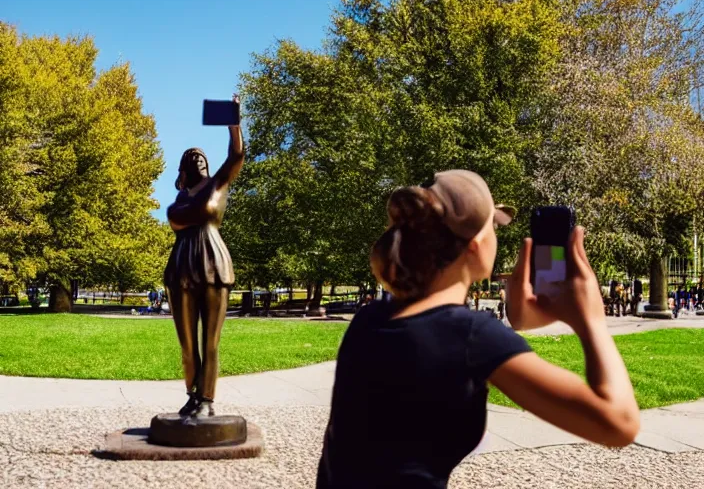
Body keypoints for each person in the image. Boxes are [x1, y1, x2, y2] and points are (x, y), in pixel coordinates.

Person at [316, 170, 639, 489]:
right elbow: (618, 424)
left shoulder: (370, 319)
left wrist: (522, 319)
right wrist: (592, 321)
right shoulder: (470, 335)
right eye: (494, 226)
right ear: (476, 245)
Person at [163, 94, 244, 418]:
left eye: (201, 156)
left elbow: (236, 154)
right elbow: (178, 218)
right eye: (191, 156)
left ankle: (207, 400)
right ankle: (191, 395)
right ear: (183, 170)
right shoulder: (179, 199)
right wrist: (194, 211)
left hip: (213, 264)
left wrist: (233, 124)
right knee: (187, 344)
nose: (198, 157)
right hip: (181, 268)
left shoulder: (218, 186)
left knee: (210, 341)